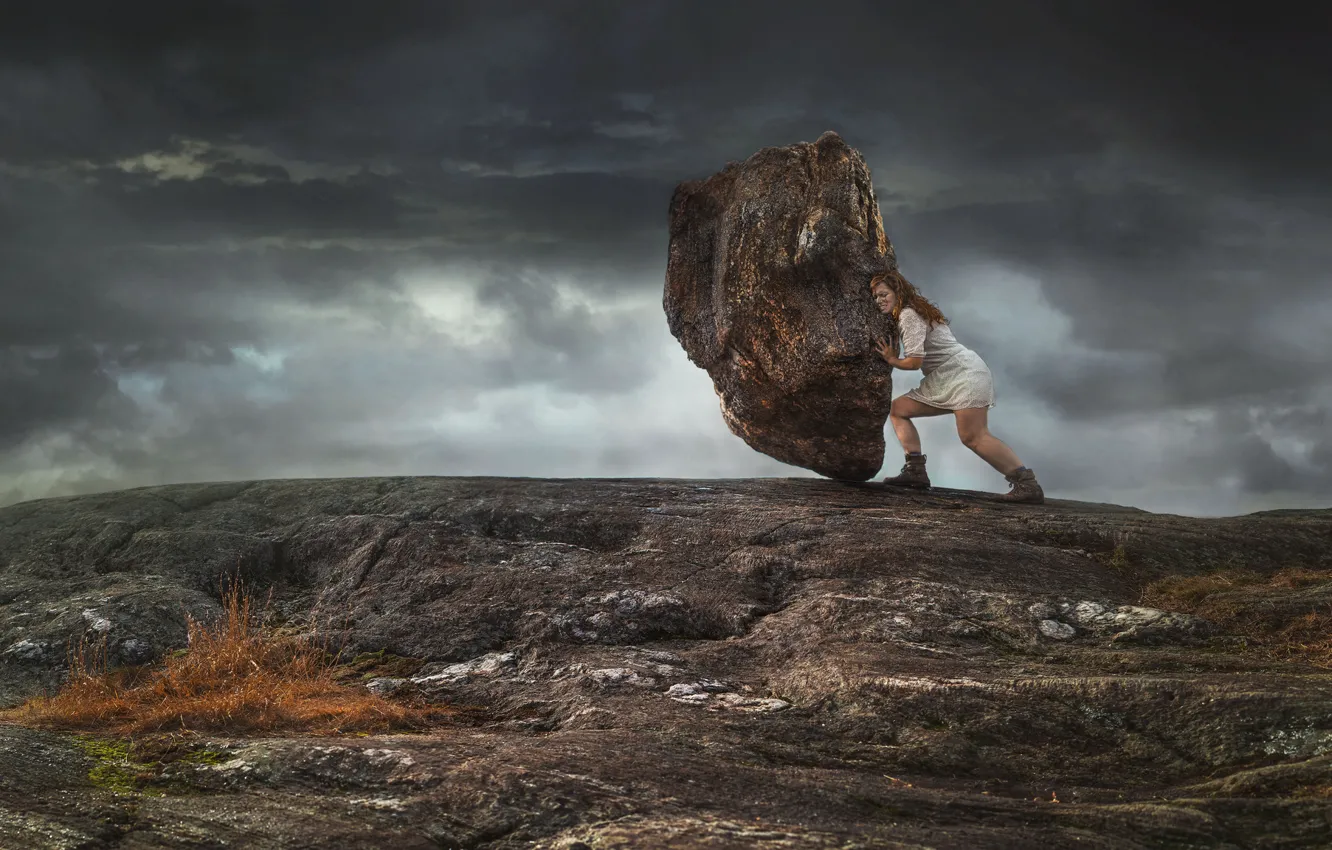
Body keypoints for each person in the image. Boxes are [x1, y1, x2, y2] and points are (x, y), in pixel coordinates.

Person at [870, 268, 1044, 504]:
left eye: (883, 294)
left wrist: (891, 360)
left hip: (963, 374)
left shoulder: (909, 315)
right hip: (946, 376)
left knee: (973, 437)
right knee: (898, 410)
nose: (879, 301)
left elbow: (914, 362)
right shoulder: (915, 311)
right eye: (876, 297)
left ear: (897, 292)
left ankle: (1027, 484)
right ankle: (915, 471)